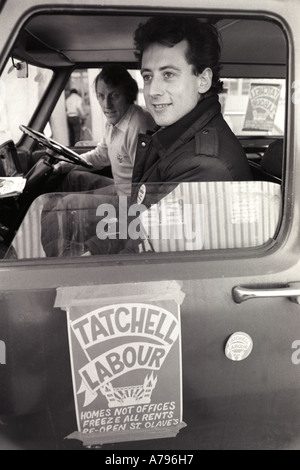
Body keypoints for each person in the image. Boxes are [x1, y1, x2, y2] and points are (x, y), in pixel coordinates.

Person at [78, 16, 253, 256]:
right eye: (148, 77)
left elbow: (143, 253)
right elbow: (138, 217)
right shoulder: (175, 137)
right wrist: (92, 249)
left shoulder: (204, 165)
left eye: (168, 74)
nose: (153, 91)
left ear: (203, 80)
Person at [41, 64, 155, 256]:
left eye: (114, 96)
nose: (106, 105)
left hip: (130, 200)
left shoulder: (138, 125)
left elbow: (146, 187)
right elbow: (100, 155)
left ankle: (56, 262)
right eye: (101, 97)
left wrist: (123, 222)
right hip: (121, 188)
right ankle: (63, 245)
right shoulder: (114, 120)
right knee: (73, 178)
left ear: (128, 95)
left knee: (65, 205)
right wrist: (64, 165)